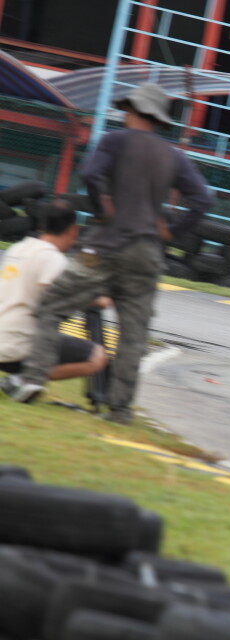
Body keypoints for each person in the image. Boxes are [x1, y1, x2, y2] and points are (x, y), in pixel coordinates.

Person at [3, 82, 214, 424]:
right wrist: (172, 232)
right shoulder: (173, 156)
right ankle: (120, 410)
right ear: (158, 119)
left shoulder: (115, 141)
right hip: (146, 254)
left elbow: (90, 173)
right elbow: (203, 200)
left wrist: (102, 208)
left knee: (53, 304)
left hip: (106, 246)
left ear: (130, 110)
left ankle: (32, 379)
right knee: (133, 332)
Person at [0, 200, 110, 388]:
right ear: (73, 230)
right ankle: (24, 380)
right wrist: (101, 300)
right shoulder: (52, 258)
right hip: (19, 346)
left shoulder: (17, 249)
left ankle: (20, 379)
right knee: (97, 357)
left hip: (4, 339)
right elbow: (57, 300)